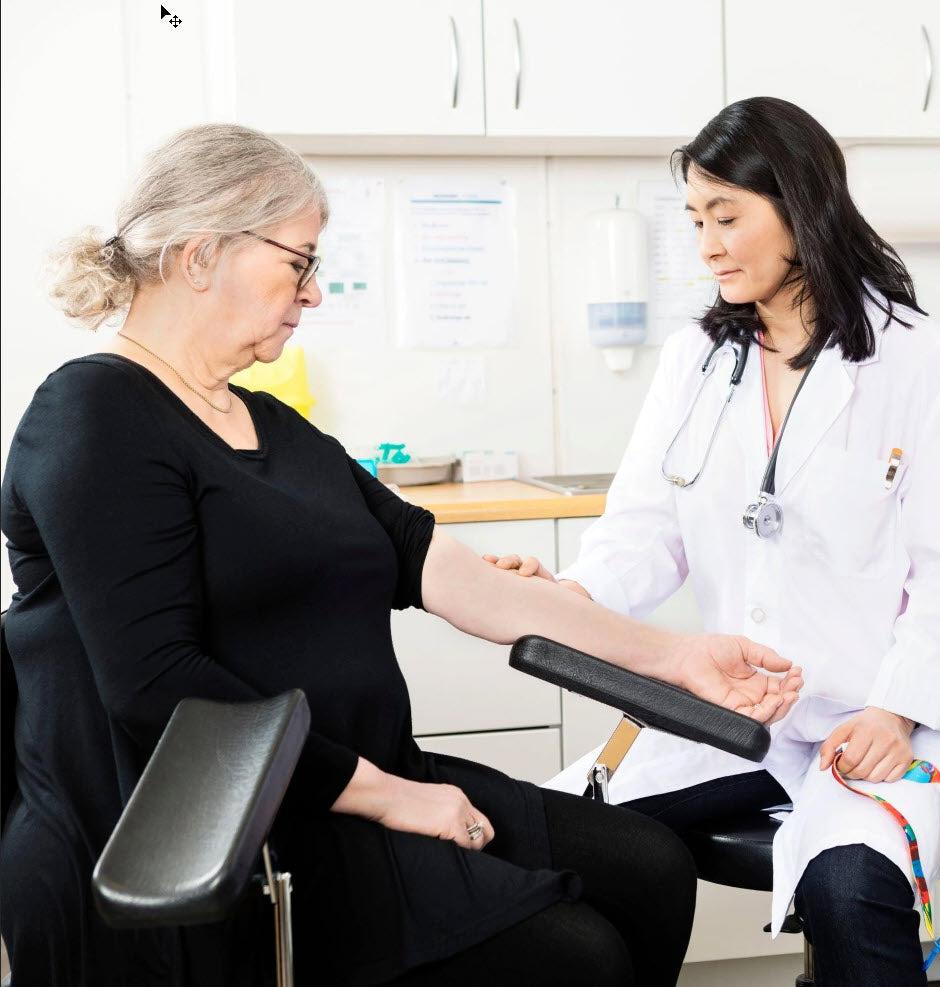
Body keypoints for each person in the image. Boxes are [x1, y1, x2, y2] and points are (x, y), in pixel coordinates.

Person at [0, 123, 802, 987]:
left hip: (356, 772)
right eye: (299, 261)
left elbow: (447, 572)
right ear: (203, 254)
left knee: (650, 866)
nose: (311, 293)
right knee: (578, 956)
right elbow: (160, 686)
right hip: (228, 822)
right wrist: (394, 797)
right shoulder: (94, 417)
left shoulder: (270, 425)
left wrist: (682, 657)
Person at [485, 97, 940, 986]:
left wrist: (895, 709)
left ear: (802, 206)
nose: (708, 244)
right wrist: (564, 598)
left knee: (847, 887)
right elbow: (642, 533)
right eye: (696, 220)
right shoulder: (696, 360)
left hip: (872, 718)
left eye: (728, 216)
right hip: (728, 715)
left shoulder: (926, 366)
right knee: (552, 841)